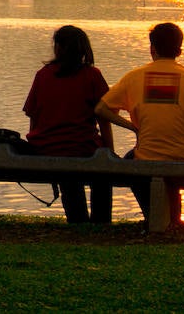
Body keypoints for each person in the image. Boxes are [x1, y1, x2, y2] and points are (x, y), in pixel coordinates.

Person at [96, 22, 184, 234]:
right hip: (183, 156)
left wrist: (133, 128)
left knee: (131, 161)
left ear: (152, 48)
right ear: (179, 49)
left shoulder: (134, 77)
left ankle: (154, 214)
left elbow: (102, 109)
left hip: (146, 156)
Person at [23, 25, 114, 224]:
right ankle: (101, 222)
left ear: (58, 48)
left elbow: (33, 116)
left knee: (68, 175)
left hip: (46, 148)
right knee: (102, 173)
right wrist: (110, 152)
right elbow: (104, 119)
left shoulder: (43, 75)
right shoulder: (92, 75)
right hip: (81, 146)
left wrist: (37, 146)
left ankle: (77, 220)